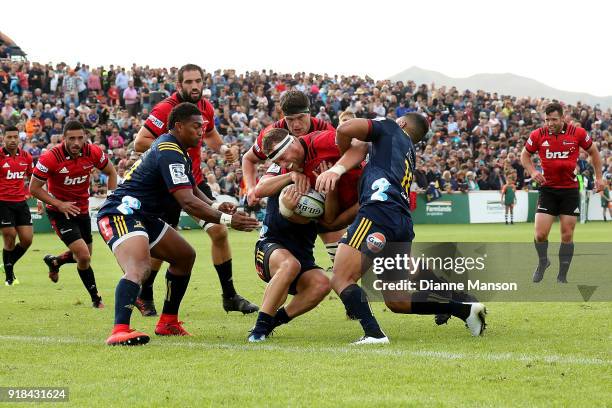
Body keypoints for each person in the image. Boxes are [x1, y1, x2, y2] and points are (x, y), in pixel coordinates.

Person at [315, 114, 487, 344]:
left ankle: (374, 334)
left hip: (378, 214)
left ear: (402, 123)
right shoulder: (408, 152)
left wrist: (338, 165)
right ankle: (464, 310)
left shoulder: (389, 128)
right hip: (401, 222)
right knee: (397, 301)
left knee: (340, 277)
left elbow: (345, 128)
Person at [98, 102, 259, 346]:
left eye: (203, 127)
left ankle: (168, 322)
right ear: (179, 126)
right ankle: (119, 330)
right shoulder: (169, 149)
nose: (201, 132)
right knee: (139, 268)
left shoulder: (176, 149)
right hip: (122, 212)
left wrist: (215, 206)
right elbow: (186, 201)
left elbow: (192, 189)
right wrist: (227, 219)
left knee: (184, 256)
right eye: (196, 127)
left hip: (145, 216)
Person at [134, 64, 257, 315]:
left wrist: (222, 150)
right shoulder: (165, 108)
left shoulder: (205, 108)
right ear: (179, 85)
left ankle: (229, 295)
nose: (194, 86)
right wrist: (172, 150)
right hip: (168, 183)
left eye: (198, 81)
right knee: (163, 242)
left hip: (193, 180)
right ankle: (144, 294)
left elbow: (210, 135)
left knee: (219, 232)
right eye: (188, 82)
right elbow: (140, 142)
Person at [30, 120, 117, 308]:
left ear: (86, 137)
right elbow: (34, 188)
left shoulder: (92, 152)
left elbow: (111, 172)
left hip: (82, 210)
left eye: (80, 138)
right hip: (59, 212)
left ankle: (55, 262)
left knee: (84, 256)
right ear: (64, 139)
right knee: (84, 256)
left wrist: (111, 199)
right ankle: (96, 299)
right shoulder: (50, 158)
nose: (76, 142)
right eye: (72, 139)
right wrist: (58, 204)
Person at [247, 148, 332, 342]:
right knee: (289, 265)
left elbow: (328, 222)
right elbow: (260, 190)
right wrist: (291, 177)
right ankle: (258, 330)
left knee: (322, 284)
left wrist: (329, 194)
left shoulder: (326, 173)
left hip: (303, 256)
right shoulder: (283, 165)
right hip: (270, 246)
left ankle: (273, 322)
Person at [521, 102, 604, 283]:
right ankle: (543, 262)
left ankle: (562, 276)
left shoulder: (578, 133)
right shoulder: (537, 135)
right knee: (540, 234)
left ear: (563, 117)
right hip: (548, 190)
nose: (550, 123)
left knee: (567, 234)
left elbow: (594, 152)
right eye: (547, 120)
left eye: (554, 119)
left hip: (569, 191)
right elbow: (524, 155)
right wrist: (533, 172)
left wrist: (599, 177)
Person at [0, 126, 34, 285]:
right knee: (10, 237)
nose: (12, 140)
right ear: (3, 138)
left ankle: (7, 264)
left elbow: (33, 178)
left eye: (15, 137)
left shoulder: (26, 156)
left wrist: (37, 198)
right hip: (2, 202)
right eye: (9, 137)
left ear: (19, 138)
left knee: (27, 240)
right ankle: (9, 276)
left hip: (21, 202)